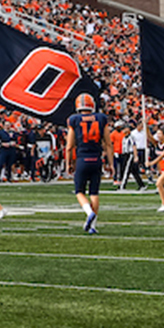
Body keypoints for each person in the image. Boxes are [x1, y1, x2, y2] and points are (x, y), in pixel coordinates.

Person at [64, 93, 109, 234]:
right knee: (94, 193)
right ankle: (93, 226)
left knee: (79, 192)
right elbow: (108, 143)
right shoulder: (101, 118)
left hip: (83, 158)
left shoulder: (74, 119)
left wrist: (68, 163)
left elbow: (69, 146)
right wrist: (111, 164)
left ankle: (89, 213)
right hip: (97, 159)